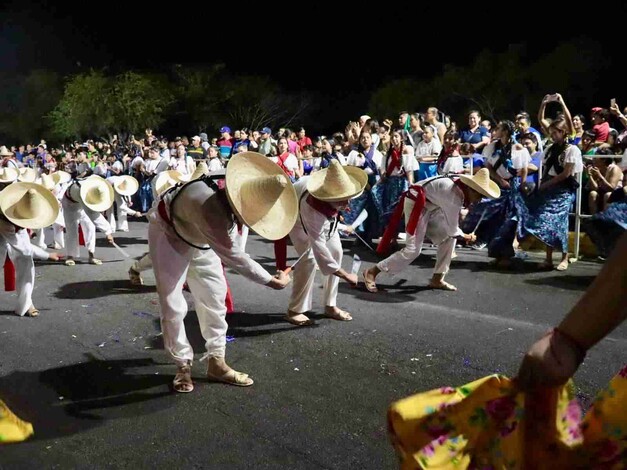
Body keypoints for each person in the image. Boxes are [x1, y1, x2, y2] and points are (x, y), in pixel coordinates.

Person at [147, 151, 297, 393]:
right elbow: (236, 256)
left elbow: (231, 248)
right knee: (172, 301)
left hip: (202, 237)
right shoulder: (210, 207)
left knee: (215, 297)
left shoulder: (231, 192)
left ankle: (217, 362)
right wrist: (272, 281)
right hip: (169, 233)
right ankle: (182, 364)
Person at [362, 168, 501, 292]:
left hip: (431, 205)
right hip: (417, 203)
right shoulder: (454, 196)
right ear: (471, 188)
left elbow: (451, 230)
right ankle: (372, 272)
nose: (480, 200)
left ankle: (437, 278)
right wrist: (467, 237)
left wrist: (460, 234)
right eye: (480, 195)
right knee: (412, 250)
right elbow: (453, 229)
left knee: (448, 237)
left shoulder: (459, 189)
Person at [284, 160, 366, 326]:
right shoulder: (312, 209)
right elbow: (320, 250)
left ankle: (330, 305)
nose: (347, 203)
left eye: (348, 198)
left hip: (322, 215)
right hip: (295, 217)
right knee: (308, 260)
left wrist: (338, 212)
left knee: (336, 251)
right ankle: (295, 309)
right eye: (342, 200)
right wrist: (346, 275)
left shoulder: (330, 188)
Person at [0, 180, 62, 317]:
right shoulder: (4, 219)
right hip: (4, 225)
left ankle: (27, 303)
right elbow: (24, 248)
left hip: (15, 222)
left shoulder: (24, 196)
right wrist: (47, 255)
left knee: (26, 262)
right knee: (23, 254)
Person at [62, 176, 115, 266]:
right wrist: (107, 232)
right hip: (70, 203)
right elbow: (94, 215)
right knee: (72, 229)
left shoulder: (96, 185)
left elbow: (93, 214)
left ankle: (91, 255)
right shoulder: (82, 192)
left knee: (90, 227)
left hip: (86, 200)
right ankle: (70, 256)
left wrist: (107, 232)